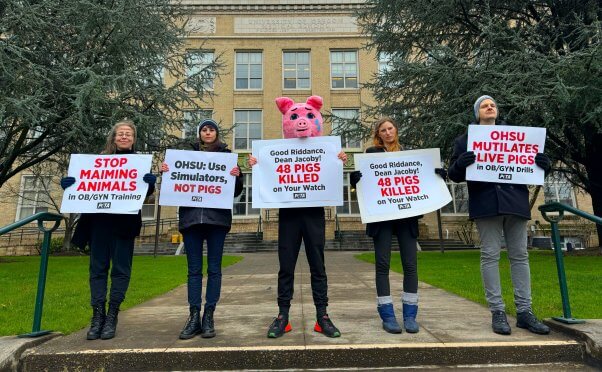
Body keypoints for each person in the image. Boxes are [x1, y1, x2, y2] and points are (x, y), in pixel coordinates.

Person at [448, 95, 551, 335]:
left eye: (492, 104)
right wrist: (460, 163)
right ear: (477, 113)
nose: (489, 107)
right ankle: (497, 311)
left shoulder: (519, 137)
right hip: (486, 204)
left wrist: (546, 163)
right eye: (484, 105)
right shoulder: (464, 141)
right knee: (490, 255)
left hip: (515, 202)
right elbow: (454, 175)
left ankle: (525, 311)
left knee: (520, 256)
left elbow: (533, 167)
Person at [248, 95, 347, 339]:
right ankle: (283, 315)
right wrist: (257, 164)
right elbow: (270, 172)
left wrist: (340, 159)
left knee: (318, 265)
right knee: (286, 266)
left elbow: (330, 174)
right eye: (295, 118)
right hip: (289, 214)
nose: (301, 122)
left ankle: (322, 316)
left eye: (307, 118)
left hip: (314, 213)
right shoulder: (278, 150)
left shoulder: (324, 149)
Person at [61, 120, 156, 340]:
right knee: (97, 269)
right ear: (113, 137)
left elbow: (145, 194)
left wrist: (150, 184)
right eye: (120, 134)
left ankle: (112, 313)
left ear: (133, 139)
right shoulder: (97, 162)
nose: (124, 137)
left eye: (128, 134)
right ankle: (97, 316)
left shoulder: (140, 163)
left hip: (124, 225)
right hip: (98, 224)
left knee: (121, 270)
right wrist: (69, 184)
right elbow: (81, 185)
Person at [350, 117, 447, 334]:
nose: (387, 132)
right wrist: (355, 180)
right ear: (378, 134)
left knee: (410, 265)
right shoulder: (371, 154)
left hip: (406, 216)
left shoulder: (410, 155)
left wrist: (439, 175)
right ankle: (387, 315)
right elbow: (364, 185)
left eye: (390, 128)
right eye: (382, 130)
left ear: (396, 130)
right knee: (382, 265)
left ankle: (410, 315)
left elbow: (422, 181)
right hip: (382, 216)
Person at [161, 119, 243, 339]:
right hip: (191, 222)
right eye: (204, 130)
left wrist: (237, 176)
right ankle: (193, 315)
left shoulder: (227, 156)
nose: (208, 132)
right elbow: (174, 184)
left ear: (217, 133)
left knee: (214, 269)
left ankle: (209, 315)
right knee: (194, 270)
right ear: (200, 134)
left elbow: (235, 192)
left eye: (212, 129)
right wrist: (167, 171)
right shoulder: (185, 156)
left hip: (217, 221)